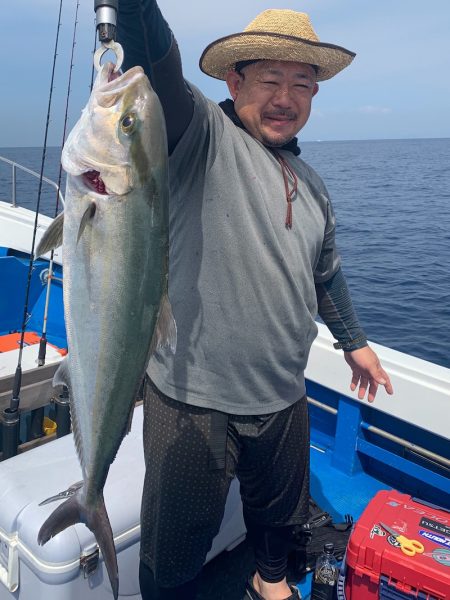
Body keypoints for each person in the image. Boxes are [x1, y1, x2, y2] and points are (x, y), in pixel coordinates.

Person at [117, 3, 394, 599]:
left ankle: (270, 585)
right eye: (269, 79)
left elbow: (327, 273)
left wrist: (356, 344)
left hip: (282, 393)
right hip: (191, 398)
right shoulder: (199, 137)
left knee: (279, 517)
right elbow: (155, 63)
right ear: (233, 81)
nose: (285, 98)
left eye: (301, 84)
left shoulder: (313, 185)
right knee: (174, 547)